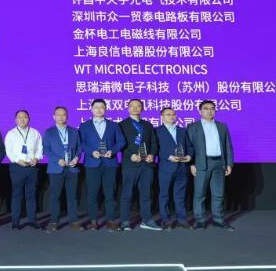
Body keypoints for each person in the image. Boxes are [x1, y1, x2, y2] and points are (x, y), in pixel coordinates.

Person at [187, 100, 235, 231]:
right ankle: (200, 220)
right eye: (206, 108)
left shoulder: (222, 126)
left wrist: (229, 163)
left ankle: (218, 220)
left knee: (218, 194)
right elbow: (189, 147)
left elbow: (227, 146)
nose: (209, 111)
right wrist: (192, 164)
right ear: (200, 111)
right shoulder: (193, 127)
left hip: (219, 163)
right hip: (202, 163)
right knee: (199, 194)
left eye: (212, 108)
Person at [79, 99, 126, 231]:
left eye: (102, 107)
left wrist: (113, 151)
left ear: (105, 109)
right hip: (92, 163)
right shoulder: (84, 126)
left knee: (110, 193)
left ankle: (110, 220)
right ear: (91, 109)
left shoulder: (114, 125)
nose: (99, 110)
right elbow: (81, 143)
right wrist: (91, 152)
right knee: (92, 194)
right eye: (96, 107)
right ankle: (93, 221)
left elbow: (121, 141)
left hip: (110, 163)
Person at [118, 99, 160, 231]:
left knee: (146, 194)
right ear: (128, 108)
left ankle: (146, 220)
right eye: (132, 106)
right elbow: (119, 143)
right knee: (127, 193)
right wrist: (130, 155)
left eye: (138, 106)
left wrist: (152, 154)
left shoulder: (147, 125)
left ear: (142, 108)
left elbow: (154, 142)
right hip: (130, 164)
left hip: (146, 164)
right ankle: (125, 221)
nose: (135, 108)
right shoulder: (121, 125)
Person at [42, 106, 82, 231]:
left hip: (72, 168)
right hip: (56, 168)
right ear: (54, 117)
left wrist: (76, 158)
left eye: (63, 114)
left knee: (72, 197)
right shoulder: (49, 132)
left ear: (67, 116)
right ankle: (54, 222)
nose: (61, 117)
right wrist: (57, 160)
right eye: (58, 115)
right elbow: (45, 149)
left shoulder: (74, 131)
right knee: (55, 196)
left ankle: (74, 222)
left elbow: (79, 148)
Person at [4, 110, 44, 230]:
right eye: (19, 117)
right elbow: (8, 150)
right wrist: (17, 160)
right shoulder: (11, 133)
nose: (22, 119)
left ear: (29, 119)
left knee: (31, 194)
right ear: (15, 120)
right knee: (17, 194)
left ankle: (32, 219)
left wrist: (37, 158)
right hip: (17, 167)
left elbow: (40, 148)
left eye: (25, 117)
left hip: (32, 167)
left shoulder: (35, 133)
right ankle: (15, 220)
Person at [156, 107, 193, 230]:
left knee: (180, 195)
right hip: (166, 168)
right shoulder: (157, 131)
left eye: (173, 114)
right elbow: (155, 149)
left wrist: (189, 156)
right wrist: (168, 156)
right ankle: (166, 220)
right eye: (168, 114)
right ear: (162, 117)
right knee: (164, 195)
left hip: (182, 167)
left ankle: (181, 219)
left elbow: (189, 146)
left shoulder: (183, 131)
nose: (171, 116)